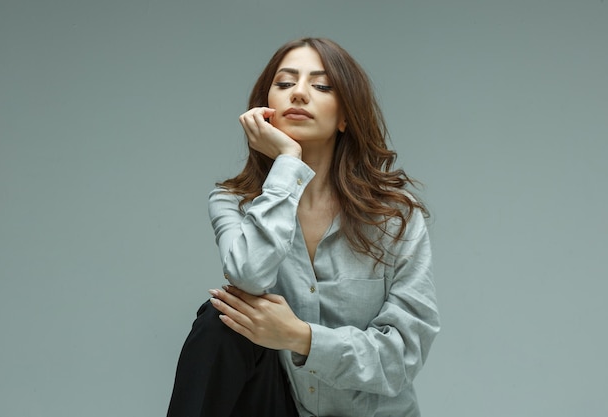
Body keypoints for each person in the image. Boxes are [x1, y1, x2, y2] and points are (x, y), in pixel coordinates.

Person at [167, 37, 440, 417]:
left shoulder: (394, 217)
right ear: (265, 110)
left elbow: (403, 356)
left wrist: (300, 337)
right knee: (220, 323)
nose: (298, 93)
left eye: (321, 85)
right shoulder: (233, 202)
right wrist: (288, 162)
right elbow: (247, 274)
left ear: (345, 117)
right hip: (280, 407)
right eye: (284, 83)